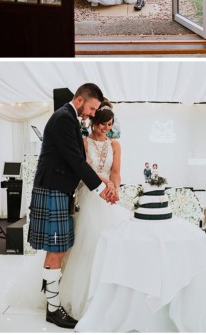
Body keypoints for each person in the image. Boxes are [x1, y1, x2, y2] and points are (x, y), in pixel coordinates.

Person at [26, 83, 118, 329]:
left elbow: (78, 162)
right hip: (53, 190)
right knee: (56, 250)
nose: (91, 113)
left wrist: (104, 180)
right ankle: (53, 309)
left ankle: (52, 303)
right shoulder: (65, 119)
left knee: (59, 249)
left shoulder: (68, 117)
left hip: (59, 190)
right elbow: (76, 161)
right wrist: (100, 190)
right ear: (79, 100)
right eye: (91, 108)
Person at [59, 99, 130, 319]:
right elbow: (84, 169)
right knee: (86, 243)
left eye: (109, 125)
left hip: (108, 197)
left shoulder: (115, 145)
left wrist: (114, 189)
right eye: (102, 124)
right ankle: (80, 294)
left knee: (111, 244)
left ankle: (110, 296)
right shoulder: (83, 142)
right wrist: (104, 186)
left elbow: (116, 171)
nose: (105, 129)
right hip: (88, 194)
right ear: (93, 122)